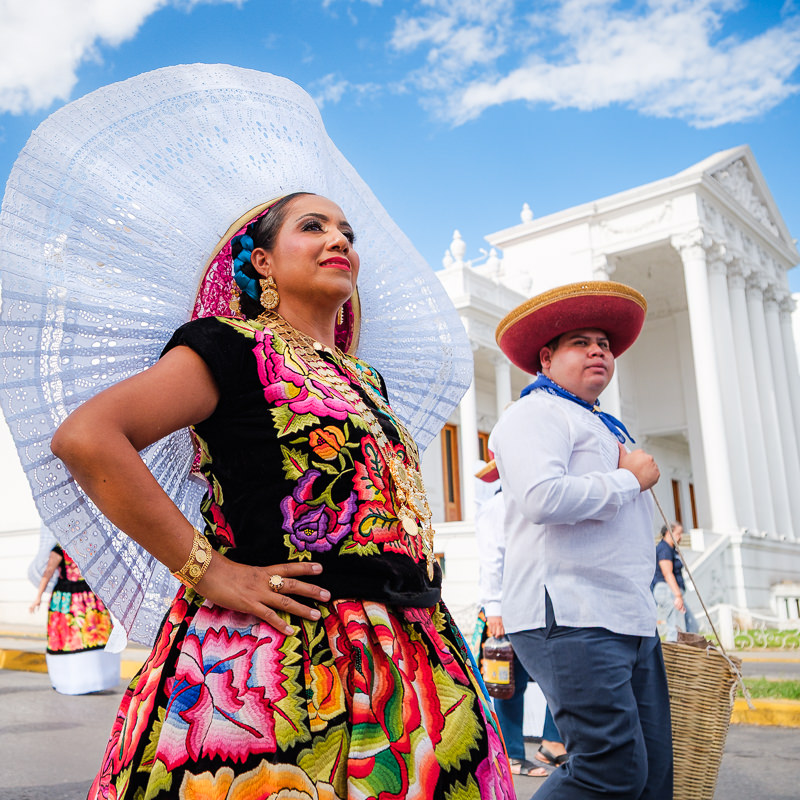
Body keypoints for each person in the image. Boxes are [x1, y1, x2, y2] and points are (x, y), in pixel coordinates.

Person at [50, 190, 514, 800]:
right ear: (263, 262)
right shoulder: (230, 346)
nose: (339, 240)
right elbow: (87, 438)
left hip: (411, 648)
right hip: (279, 655)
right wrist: (209, 570)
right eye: (313, 226)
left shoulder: (363, 376)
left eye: (347, 231)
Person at [490, 280, 673, 799]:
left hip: (627, 615)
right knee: (608, 768)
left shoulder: (605, 426)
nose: (599, 350)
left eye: (605, 344)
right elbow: (542, 499)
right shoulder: (534, 413)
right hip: (569, 613)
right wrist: (629, 479)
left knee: (653, 772)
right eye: (581, 342)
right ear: (546, 358)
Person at [473, 460, 567, 777]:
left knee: (559, 675)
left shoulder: (539, 502)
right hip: (511, 605)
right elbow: (491, 558)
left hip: (545, 602)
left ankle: (553, 743)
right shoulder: (498, 506)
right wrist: (494, 608)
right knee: (510, 682)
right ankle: (512, 753)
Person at [29, 543, 121, 695]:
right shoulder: (82, 545)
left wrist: (38, 597)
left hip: (77, 599)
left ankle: (84, 681)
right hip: (81, 600)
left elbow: (49, 571)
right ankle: (84, 681)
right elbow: (49, 571)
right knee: (81, 638)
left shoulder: (72, 547)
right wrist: (38, 597)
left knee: (79, 638)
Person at [652, 522, 698, 641]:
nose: (681, 537)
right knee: (676, 629)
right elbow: (667, 573)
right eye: (678, 533)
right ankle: (673, 656)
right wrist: (677, 596)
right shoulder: (664, 548)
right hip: (667, 590)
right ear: (669, 533)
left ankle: (688, 655)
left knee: (692, 626)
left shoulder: (672, 549)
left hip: (673, 591)